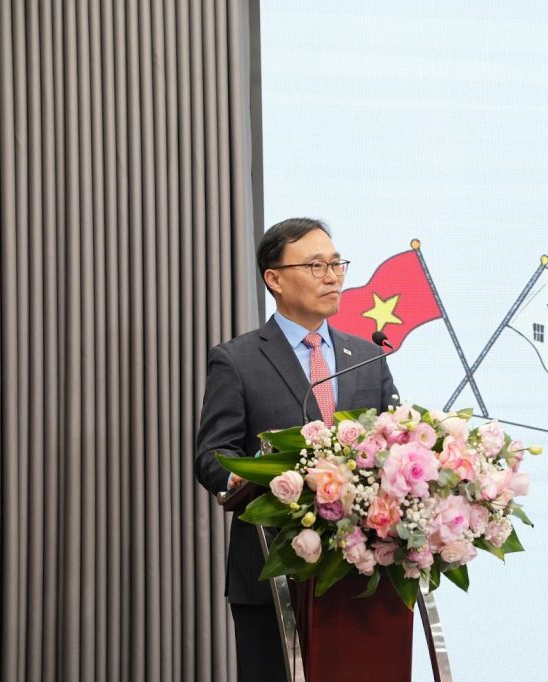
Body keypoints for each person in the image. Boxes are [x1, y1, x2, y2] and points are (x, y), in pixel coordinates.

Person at [195, 218, 398, 682]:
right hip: (273, 574)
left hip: (364, 574)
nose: (332, 277)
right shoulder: (237, 360)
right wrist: (242, 477)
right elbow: (212, 456)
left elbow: (393, 444)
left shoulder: (368, 356)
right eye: (315, 266)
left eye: (337, 264)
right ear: (275, 278)